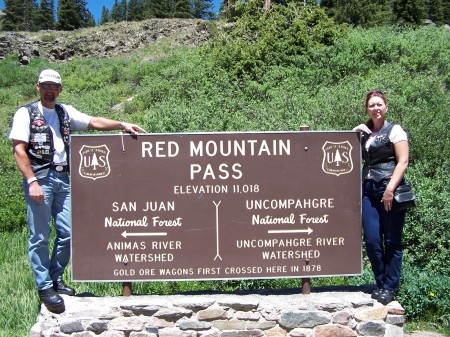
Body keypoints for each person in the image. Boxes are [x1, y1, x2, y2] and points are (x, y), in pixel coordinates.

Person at [9, 69, 145, 314]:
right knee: (39, 235)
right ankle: (44, 286)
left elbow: (93, 122)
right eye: (46, 85)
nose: (50, 89)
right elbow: (19, 150)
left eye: (55, 86)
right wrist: (31, 181)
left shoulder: (65, 112)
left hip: (63, 178)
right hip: (40, 178)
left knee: (69, 232)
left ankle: (56, 279)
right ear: (38, 87)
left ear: (60, 89)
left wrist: (121, 124)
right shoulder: (25, 113)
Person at [353, 90, 409, 305]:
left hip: (390, 189)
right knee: (372, 240)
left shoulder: (395, 130)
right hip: (368, 189)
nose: (375, 108)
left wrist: (390, 189)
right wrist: (354, 134)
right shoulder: (365, 132)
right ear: (367, 108)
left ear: (386, 107)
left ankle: (390, 286)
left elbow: (403, 161)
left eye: (379, 104)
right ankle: (381, 282)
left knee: (392, 241)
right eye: (371, 105)